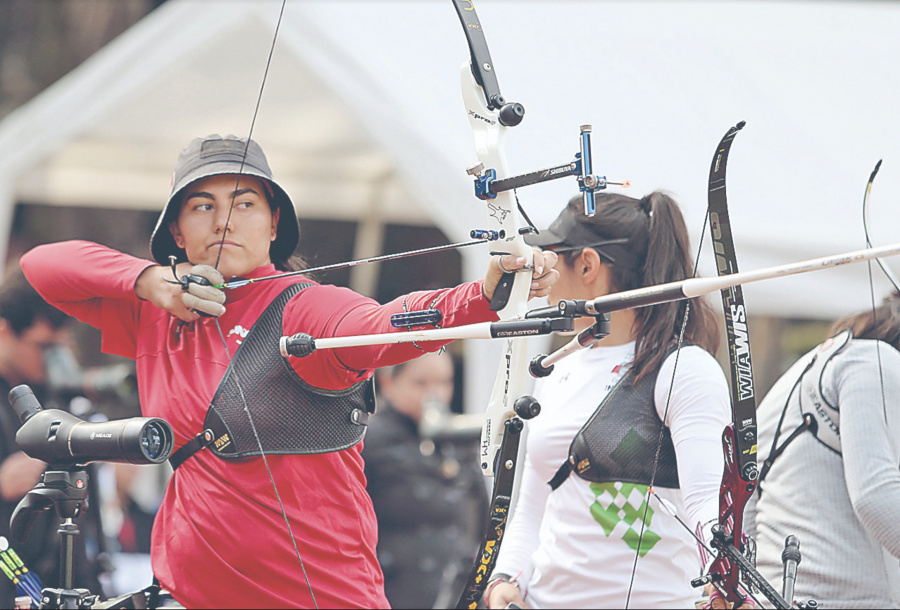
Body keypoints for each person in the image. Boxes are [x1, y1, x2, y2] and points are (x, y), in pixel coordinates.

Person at [19, 134, 558, 609]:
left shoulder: (304, 308)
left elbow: (383, 323)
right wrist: (145, 279)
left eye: (244, 203)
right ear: (177, 232)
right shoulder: (154, 310)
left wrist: (483, 297)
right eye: (201, 206)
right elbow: (42, 267)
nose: (224, 219)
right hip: (190, 593)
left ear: (274, 223)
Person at [485, 192, 733, 609]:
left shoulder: (684, 369)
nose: (540, 271)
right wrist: (505, 578)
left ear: (587, 264)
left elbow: (708, 503)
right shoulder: (559, 365)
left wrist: (729, 581)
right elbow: (533, 504)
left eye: (552, 257)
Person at [744, 292, 900, 608]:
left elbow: (745, 493)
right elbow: (876, 495)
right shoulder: (873, 362)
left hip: (779, 595)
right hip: (841, 599)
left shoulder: (815, 364)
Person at [0, 269, 102, 607]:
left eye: (61, 347)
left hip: (54, 580)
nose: (52, 359)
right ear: (3, 331)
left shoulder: (60, 401)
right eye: (44, 347)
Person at [363, 350, 488, 609]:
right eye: (421, 383)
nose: (435, 394)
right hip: (394, 592)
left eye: (445, 382)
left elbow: (484, 520)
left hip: (459, 592)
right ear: (388, 382)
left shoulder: (456, 440)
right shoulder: (368, 442)